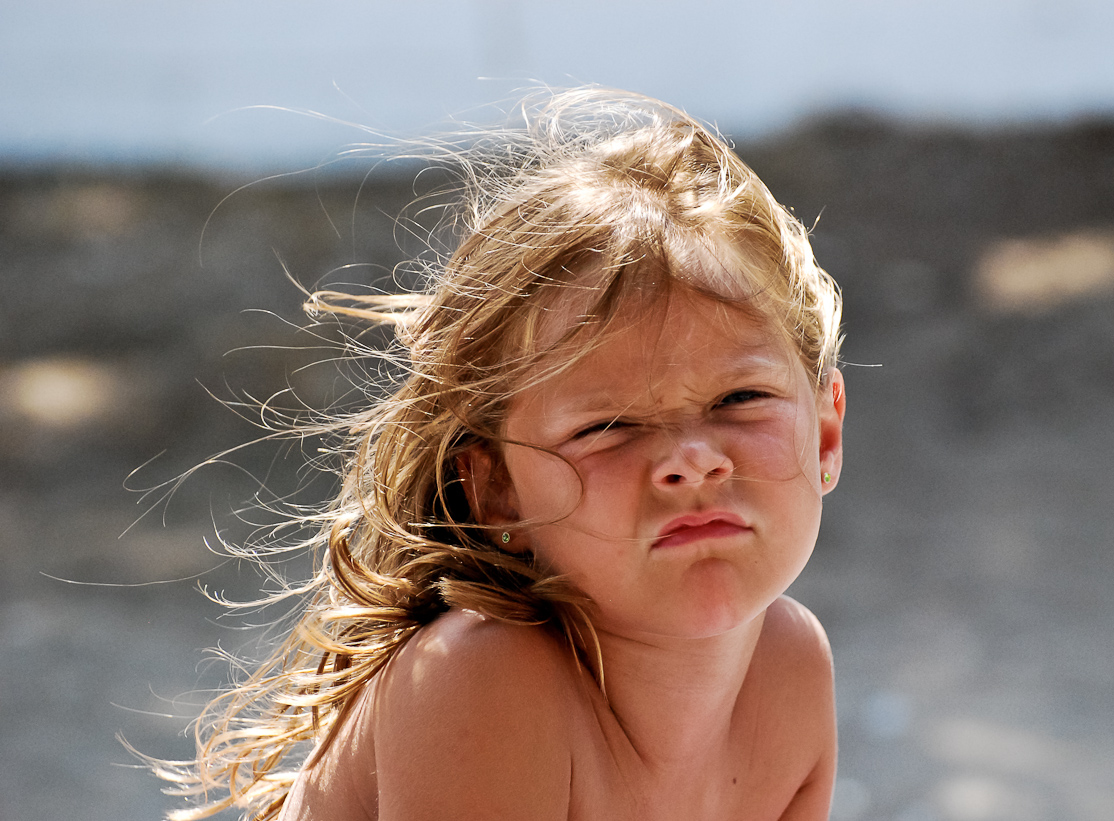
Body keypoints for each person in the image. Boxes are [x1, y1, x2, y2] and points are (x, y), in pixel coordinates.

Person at [159, 87, 846, 820]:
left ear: (826, 433)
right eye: (607, 425)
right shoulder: (484, 676)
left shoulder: (790, 670)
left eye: (739, 399)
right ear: (498, 490)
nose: (692, 459)